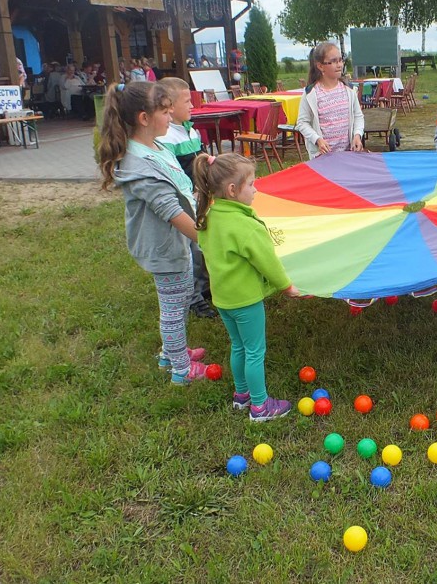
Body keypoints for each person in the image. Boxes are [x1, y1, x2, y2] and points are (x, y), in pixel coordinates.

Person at [97, 81, 217, 384]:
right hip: (165, 248)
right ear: (144, 118)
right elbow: (172, 212)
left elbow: (180, 187)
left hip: (174, 244)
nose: (170, 116)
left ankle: (171, 351)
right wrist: (209, 241)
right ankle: (180, 368)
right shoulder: (140, 164)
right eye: (164, 111)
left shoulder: (156, 147)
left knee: (175, 302)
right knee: (174, 310)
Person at [193, 152, 302, 421]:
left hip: (224, 300)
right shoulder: (244, 225)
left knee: (238, 346)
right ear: (233, 190)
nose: (256, 189)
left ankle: (241, 395)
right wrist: (286, 286)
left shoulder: (209, 216)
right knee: (255, 351)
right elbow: (268, 262)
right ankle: (260, 406)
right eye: (251, 184)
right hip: (246, 301)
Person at [157, 77, 217, 320]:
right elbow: (173, 170)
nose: (193, 105)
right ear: (169, 106)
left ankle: (204, 288)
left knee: (201, 246)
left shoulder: (190, 129)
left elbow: (198, 159)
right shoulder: (166, 137)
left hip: (199, 196)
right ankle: (193, 298)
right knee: (190, 249)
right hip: (184, 201)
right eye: (187, 101)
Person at [296, 42, 365, 159]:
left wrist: (357, 135)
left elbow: (358, 116)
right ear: (320, 66)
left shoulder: (349, 90)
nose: (339, 65)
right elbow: (302, 123)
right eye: (333, 61)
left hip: (348, 155)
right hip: (322, 157)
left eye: (340, 60)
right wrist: (317, 140)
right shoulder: (311, 94)